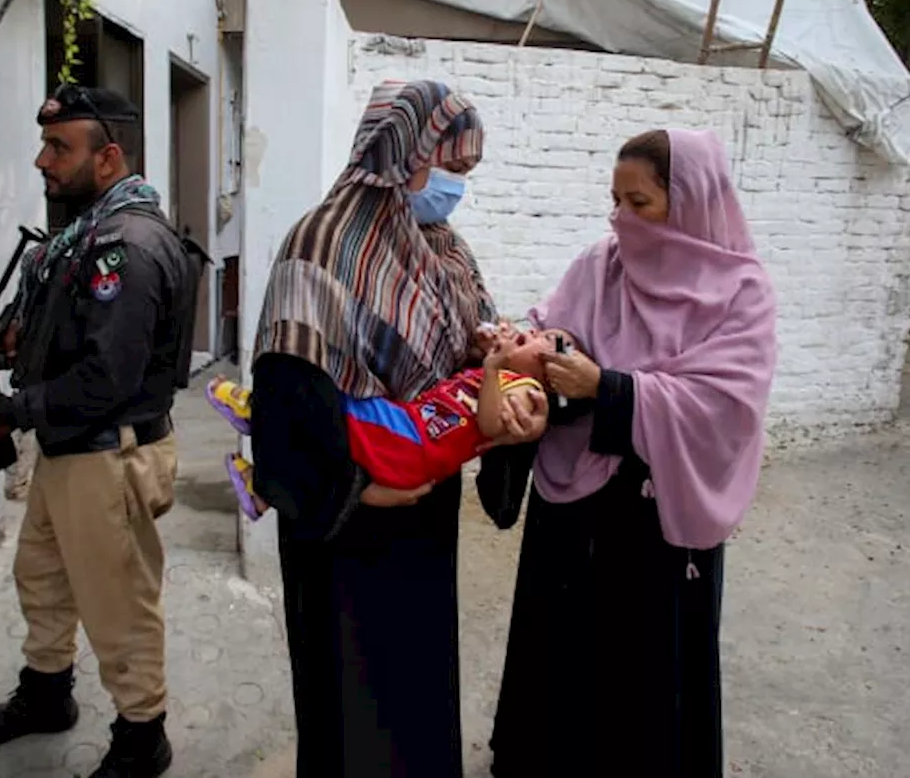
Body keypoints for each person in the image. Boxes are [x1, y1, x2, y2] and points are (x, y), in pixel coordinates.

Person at [248, 79, 548, 777]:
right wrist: (353, 488)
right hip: (342, 520)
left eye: (465, 173)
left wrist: (508, 385)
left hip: (422, 510)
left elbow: (474, 349)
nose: (454, 186)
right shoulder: (320, 241)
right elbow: (286, 393)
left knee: (414, 686)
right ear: (403, 152)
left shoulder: (444, 249)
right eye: (451, 166)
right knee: (347, 696)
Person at [477, 128, 779, 777]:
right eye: (614, 200)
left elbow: (727, 410)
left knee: (640, 674)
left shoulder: (740, 292)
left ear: (691, 202)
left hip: (653, 522)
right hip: (572, 509)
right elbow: (555, 328)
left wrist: (608, 388)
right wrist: (531, 362)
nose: (622, 218)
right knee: (560, 655)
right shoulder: (599, 264)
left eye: (639, 202)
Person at [0, 84, 201, 778]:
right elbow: (73, 333)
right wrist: (16, 343)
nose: (42, 159)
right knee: (44, 579)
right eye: (45, 144)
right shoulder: (84, 235)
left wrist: (11, 412)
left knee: (119, 605)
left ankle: (141, 737)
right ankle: (47, 693)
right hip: (71, 449)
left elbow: (108, 378)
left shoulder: (129, 245)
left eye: (59, 147)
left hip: (108, 454)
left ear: (109, 158)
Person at [204, 326, 567, 520]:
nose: (535, 332)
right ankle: (264, 492)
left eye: (547, 342)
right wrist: (485, 350)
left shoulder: (526, 391)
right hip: (410, 430)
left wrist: (491, 368)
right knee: (333, 418)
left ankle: (257, 414)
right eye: (540, 331)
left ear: (553, 376)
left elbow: (489, 425)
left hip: (412, 443)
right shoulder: (505, 374)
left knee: (330, 406)